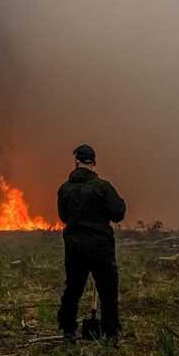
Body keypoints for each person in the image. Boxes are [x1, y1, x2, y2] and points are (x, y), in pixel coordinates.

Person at [57, 144, 127, 343]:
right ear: (94, 163)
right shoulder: (103, 187)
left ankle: (68, 330)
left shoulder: (64, 189)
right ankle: (111, 332)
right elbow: (118, 213)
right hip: (100, 247)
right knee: (107, 290)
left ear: (76, 161)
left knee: (72, 289)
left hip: (75, 247)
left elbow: (63, 217)